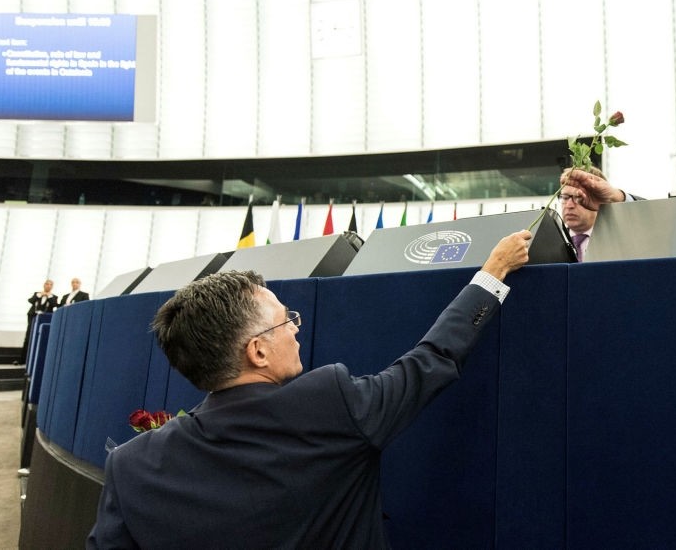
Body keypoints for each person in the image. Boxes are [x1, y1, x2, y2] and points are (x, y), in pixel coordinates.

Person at [87, 230, 533, 549]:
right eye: (287, 320)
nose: (296, 330)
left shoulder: (130, 467)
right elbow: (431, 361)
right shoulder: (330, 406)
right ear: (258, 351)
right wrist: (493, 272)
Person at [22, 280, 58, 363]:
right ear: (44, 285)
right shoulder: (37, 294)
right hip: (33, 317)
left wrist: (49, 296)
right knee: (28, 336)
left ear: (52, 286)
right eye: (47, 284)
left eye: (50, 285)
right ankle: (23, 359)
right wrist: (39, 295)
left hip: (44, 319)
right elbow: (31, 300)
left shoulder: (54, 297)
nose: (48, 286)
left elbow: (55, 305)